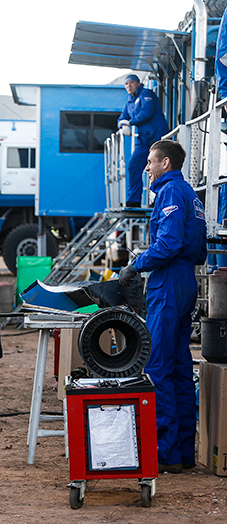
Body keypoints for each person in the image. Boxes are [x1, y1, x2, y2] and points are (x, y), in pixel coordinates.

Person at [119, 140, 206, 473]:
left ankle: (164, 453)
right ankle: (184, 452)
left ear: (166, 163)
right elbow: (197, 249)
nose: (147, 168)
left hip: (167, 282)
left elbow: (168, 244)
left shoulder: (169, 192)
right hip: (186, 282)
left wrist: (136, 265)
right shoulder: (191, 195)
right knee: (181, 369)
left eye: (151, 162)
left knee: (157, 368)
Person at [118, 74, 169, 208]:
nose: (129, 85)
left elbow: (146, 114)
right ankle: (134, 200)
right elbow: (121, 118)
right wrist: (123, 125)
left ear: (138, 84)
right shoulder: (129, 101)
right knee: (134, 165)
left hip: (157, 137)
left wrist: (129, 122)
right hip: (144, 140)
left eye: (131, 83)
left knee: (159, 167)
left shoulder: (147, 94)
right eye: (126, 84)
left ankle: (159, 198)